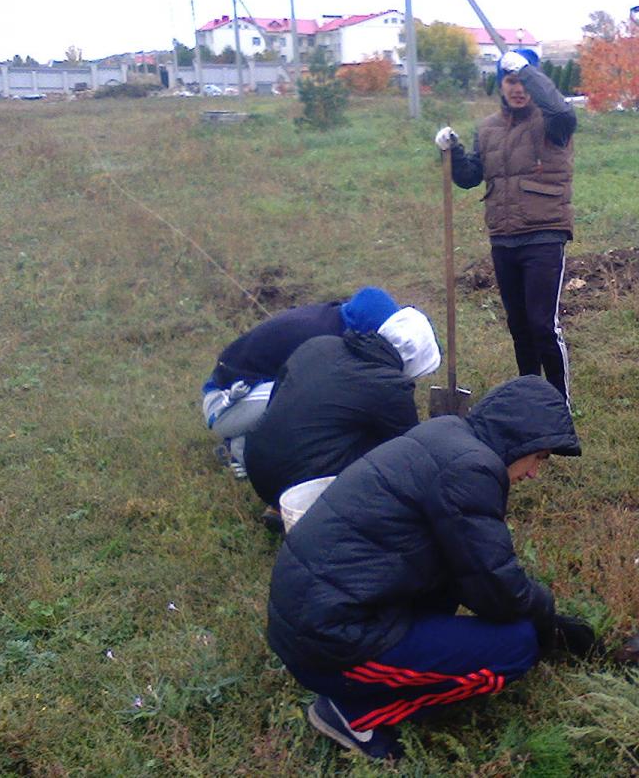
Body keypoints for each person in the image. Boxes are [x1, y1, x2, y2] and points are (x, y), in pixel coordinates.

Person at [266, 375, 595, 760]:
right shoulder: (472, 470)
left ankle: (365, 681)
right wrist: (546, 620)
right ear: (519, 437)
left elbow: (470, 570)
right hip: (330, 645)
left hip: (313, 619)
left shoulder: (446, 435)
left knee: (453, 589)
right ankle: (354, 712)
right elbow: (496, 587)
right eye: (538, 456)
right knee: (516, 646)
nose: (535, 472)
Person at [435, 48, 577, 404]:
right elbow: (470, 177)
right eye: (510, 80)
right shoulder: (488, 128)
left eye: (523, 80)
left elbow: (561, 109)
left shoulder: (552, 122)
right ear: (501, 84)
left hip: (545, 233)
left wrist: (528, 70)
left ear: (534, 80)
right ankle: (531, 396)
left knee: (543, 326)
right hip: (503, 237)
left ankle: (558, 402)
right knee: (519, 326)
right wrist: (451, 152)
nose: (517, 88)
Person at [242, 305, 442, 524]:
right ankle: (319, 511)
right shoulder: (391, 386)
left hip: (257, 466)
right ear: (413, 361)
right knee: (385, 453)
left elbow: (278, 400)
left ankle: (281, 506)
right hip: (304, 483)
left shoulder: (320, 344)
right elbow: (407, 453)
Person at [201, 287, 401, 478]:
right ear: (366, 330)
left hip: (254, 390)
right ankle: (241, 449)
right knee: (309, 398)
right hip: (226, 401)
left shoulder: (337, 318)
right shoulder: (323, 337)